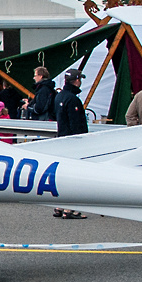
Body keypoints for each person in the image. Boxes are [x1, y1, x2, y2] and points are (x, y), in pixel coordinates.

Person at [54, 71, 88, 219]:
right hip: (73, 142)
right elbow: (76, 124)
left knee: (63, 175)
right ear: (76, 81)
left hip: (62, 138)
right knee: (74, 176)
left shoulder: (59, 96)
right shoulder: (73, 99)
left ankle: (60, 205)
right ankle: (71, 209)